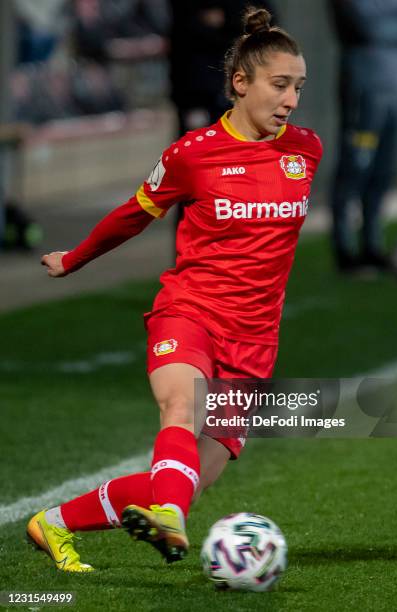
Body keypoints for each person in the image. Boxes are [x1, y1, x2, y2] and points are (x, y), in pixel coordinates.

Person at [27, 6, 322, 572]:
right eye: (280, 85)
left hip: (254, 341)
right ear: (241, 83)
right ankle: (168, 515)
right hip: (190, 311)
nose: (290, 100)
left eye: (299, 88)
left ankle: (54, 523)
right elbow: (134, 214)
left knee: (192, 481)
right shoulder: (194, 154)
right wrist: (75, 258)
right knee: (179, 410)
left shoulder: (305, 150)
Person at [329, 0, 397, 272]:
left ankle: (371, 244)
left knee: (383, 169)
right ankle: (344, 248)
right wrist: (395, 25)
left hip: (395, 88)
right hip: (364, 88)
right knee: (356, 166)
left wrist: (386, 27)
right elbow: (365, 26)